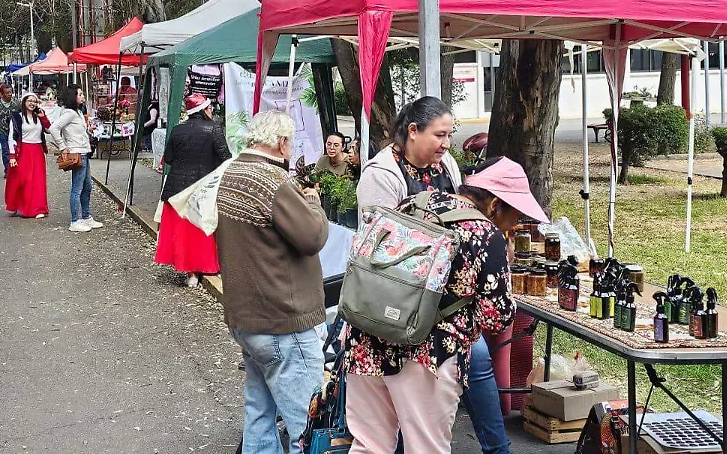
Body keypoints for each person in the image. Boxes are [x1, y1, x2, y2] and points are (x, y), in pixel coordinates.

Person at [345, 157, 544, 454]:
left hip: (366, 337)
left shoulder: (416, 201)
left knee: (368, 446)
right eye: (515, 214)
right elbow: (496, 317)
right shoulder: (486, 236)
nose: (516, 224)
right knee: (426, 448)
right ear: (494, 205)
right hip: (427, 355)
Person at [354, 97, 510, 454]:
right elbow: (376, 248)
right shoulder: (381, 175)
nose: (446, 143)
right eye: (440, 135)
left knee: (478, 362)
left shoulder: (448, 165)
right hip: (397, 307)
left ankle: (498, 448)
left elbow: (460, 223)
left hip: (442, 306)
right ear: (412, 132)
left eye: (450, 135)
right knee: (413, 433)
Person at [214, 111, 328, 454]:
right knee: (306, 426)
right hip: (283, 320)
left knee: (259, 417)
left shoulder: (230, 171)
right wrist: (314, 205)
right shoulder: (272, 181)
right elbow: (311, 237)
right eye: (291, 142)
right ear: (281, 142)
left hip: (247, 317)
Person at [154, 93, 231, 288]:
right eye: (210, 108)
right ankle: (201, 270)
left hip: (176, 189)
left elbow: (169, 158)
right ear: (204, 110)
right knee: (201, 232)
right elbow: (225, 157)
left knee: (183, 234)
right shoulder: (213, 129)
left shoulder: (177, 130)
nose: (211, 111)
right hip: (202, 188)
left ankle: (190, 273)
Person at [50, 84, 103, 233]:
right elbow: (54, 128)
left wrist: (88, 130)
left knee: (87, 187)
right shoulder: (70, 113)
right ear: (73, 96)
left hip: (84, 152)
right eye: (80, 94)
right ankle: (75, 220)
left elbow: (75, 131)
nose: (82, 96)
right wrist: (62, 146)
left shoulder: (78, 112)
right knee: (77, 188)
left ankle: (86, 216)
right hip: (77, 153)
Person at [5, 92, 51, 219]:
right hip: (23, 150)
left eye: (35, 101)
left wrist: (43, 117)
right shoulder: (17, 117)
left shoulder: (39, 117)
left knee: (38, 181)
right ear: (24, 102)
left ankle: (38, 208)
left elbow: (48, 129)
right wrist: (12, 156)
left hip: (37, 151)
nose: (32, 103)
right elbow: (11, 137)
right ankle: (21, 205)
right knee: (24, 180)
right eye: (29, 101)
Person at [0, 84, 16, 176]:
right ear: (2, 94)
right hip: (2, 130)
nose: (9, 94)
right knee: (5, 150)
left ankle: (15, 167)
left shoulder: (16, 103)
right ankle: (7, 169)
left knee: (13, 150)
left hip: (14, 131)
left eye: (10, 92)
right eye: (7, 93)